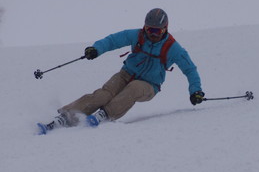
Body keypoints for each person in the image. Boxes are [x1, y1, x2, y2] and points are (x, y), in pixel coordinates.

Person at [40, 8, 204, 133]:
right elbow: (113, 40)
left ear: (165, 29)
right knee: (103, 95)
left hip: (149, 85)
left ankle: (105, 114)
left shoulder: (173, 48)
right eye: (149, 30)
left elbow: (190, 69)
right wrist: (96, 49)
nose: (152, 34)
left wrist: (195, 91)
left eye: (157, 31)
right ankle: (67, 115)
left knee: (133, 89)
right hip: (126, 74)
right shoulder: (137, 35)